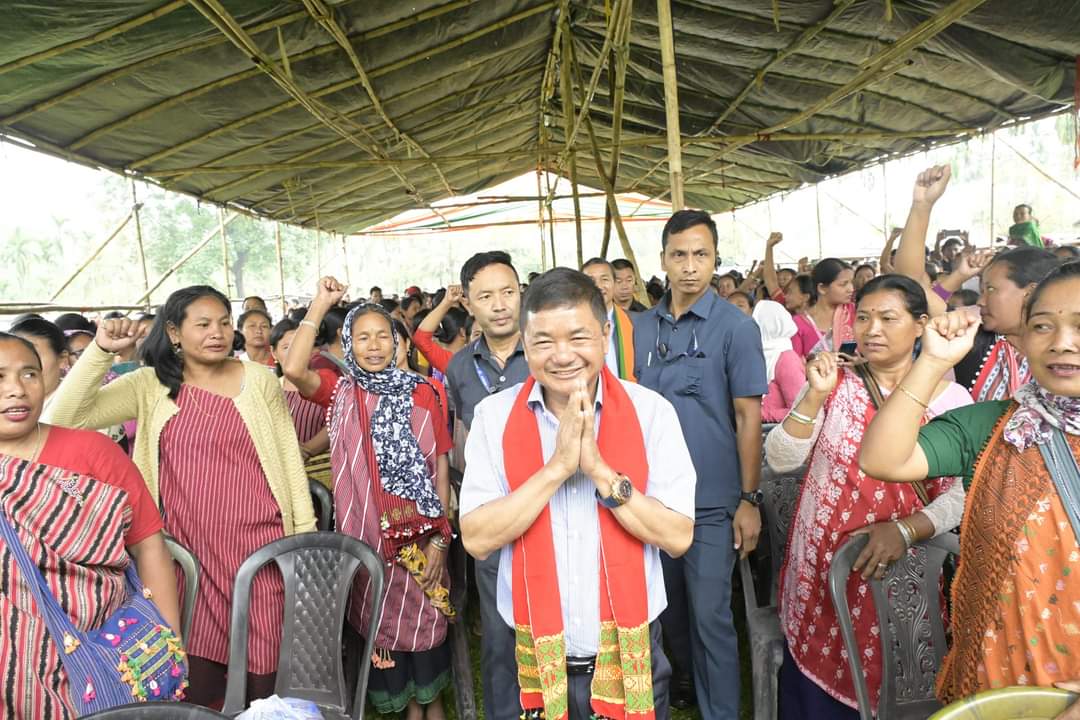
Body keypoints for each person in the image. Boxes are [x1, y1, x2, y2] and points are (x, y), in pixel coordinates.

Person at [44, 285, 316, 708]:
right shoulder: (150, 384)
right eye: (203, 324)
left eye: (225, 323)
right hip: (189, 558)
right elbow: (64, 418)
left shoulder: (260, 380)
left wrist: (304, 538)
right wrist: (101, 350)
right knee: (197, 667)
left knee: (265, 655)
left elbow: (289, 462)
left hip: (262, 550)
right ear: (173, 332)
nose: (218, 333)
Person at [460, 268, 696, 720]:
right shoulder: (494, 417)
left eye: (578, 337)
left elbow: (677, 535)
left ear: (605, 334)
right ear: (525, 344)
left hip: (630, 651)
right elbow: (476, 537)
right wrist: (557, 470)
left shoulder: (651, 414)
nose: (562, 355)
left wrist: (599, 471)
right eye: (544, 341)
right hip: (527, 658)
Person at [858, 263, 1080, 719]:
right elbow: (883, 458)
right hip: (994, 681)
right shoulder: (994, 426)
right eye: (1043, 326)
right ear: (1021, 337)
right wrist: (933, 362)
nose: (1061, 342)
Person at [764, 275, 972, 717]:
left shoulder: (951, 399)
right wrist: (813, 397)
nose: (872, 329)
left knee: (896, 671)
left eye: (887, 318)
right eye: (863, 317)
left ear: (920, 326)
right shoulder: (836, 382)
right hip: (819, 568)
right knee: (816, 684)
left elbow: (961, 495)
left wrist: (907, 528)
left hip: (902, 568)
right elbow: (782, 458)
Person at [283, 278, 454, 720]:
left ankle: (428, 707)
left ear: (399, 342)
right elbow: (294, 369)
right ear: (348, 344)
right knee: (385, 637)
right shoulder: (340, 392)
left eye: (384, 335)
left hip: (420, 543)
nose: (375, 346)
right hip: (366, 545)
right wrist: (320, 304)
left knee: (426, 642)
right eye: (363, 337)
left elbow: (438, 468)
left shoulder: (424, 392)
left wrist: (440, 539)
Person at [0, 332, 182, 719]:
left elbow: (149, 545)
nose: (16, 390)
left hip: (103, 656)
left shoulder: (92, 451)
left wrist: (169, 644)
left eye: (29, 374)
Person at [633, 210, 767, 719]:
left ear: (715, 258)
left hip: (712, 499)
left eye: (701, 255)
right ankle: (677, 690)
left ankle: (722, 712)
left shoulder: (735, 327)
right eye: (679, 255)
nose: (690, 267)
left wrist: (748, 499)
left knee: (711, 614)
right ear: (663, 259)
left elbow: (747, 417)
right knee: (663, 611)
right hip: (649, 499)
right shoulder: (637, 330)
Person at [444, 251, 530, 720]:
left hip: (547, 508)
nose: (500, 305)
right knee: (499, 637)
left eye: (508, 292)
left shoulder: (545, 352)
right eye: (486, 296)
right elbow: (461, 436)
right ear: (469, 306)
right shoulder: (459, 368)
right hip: (493, 516)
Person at [893, 165, 1060, 400]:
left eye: (991, 289)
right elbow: (909, 283)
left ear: (1030, 293)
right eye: (981, 289)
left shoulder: (1067, 352)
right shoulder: (971, 337)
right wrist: (922, 206)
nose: (981, 300)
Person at [269, 318, 327, 460]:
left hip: (320, 472)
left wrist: (307, 449)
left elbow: (337, 423)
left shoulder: (326, 385)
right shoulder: (267, 389)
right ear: (273, 352)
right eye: (286, 347)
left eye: (300, 346)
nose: (294, 353)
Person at [583, 257, 636, 380]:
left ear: (613, 283)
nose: (598, 286)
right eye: (591, 280)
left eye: (605, 279)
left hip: (629, 395)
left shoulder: (636, 323)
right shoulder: (572, 325)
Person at [791, 259, 855, 358]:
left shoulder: (855, 312)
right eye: (843, 284)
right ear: (822, 288)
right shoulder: (798, 324)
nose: (851, 289)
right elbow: (796, 363)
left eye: (851, 283)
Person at [754, 300, 805, 423]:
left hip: (772, 434)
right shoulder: (757, 352)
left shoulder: (787, 360)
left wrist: (761, 414)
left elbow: (800, 412)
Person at [11, 317, 69, 408]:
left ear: (62, 360)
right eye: (13, 357)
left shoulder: (80, 406)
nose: (21, 365)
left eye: (34, 356)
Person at [413, 285, 468, 376]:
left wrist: (446, 303)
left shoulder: (451, 362)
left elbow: (420, 338)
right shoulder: (456, 362)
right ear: (463, 332)